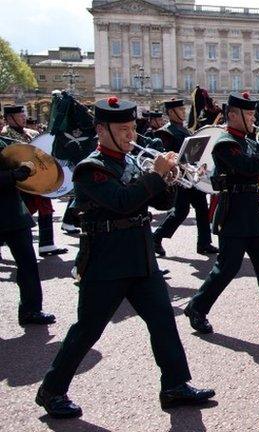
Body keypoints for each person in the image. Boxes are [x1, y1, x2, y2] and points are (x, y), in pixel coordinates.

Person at [37, 96, 214, 419]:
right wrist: (156, 176)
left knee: (163, 320)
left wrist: (171, 180)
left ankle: (175, 385)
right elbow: (121, 201)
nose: (131, 135)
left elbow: (159, 204)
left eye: (132, 127)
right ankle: (52, 389)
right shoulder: (91, 168)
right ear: (102, 130)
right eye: (123, 129)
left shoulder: (131, 161)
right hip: (106, 260)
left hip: (140, 255)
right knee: (88, 329)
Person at [184, 92, 259, 334]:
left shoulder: (247, 142)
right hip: (234, 212)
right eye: (248, 114)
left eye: (252, 113)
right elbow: (247, 167)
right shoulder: (225, 143)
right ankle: (196, 307)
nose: (253, 118)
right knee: (227, 267)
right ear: (232, 115)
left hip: (251, 211)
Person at [0, 105, 56, 327]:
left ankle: (31, 309)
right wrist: (12, 175)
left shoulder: (6, 144)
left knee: (28, 264)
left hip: (13, 213)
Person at [152, 98, 218, 257]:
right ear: (170, 112)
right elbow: (166, 157)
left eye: (183, 109)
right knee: (181, 211)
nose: (183, 112)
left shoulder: (184, 130)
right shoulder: (165, 133)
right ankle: (156, 237)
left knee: (202, 209)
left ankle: (204, 243)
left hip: (192, 177)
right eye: (180, 110)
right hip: (179, 179)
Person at [1, 105, 68, 257]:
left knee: (45, 208)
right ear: (9, 118)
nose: (23, 118)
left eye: (23, 115)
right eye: (20, 115)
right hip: (18, 182)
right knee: (19, 214)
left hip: (36, 179)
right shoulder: (4, 136)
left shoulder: (31, 134)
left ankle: (46, 244)